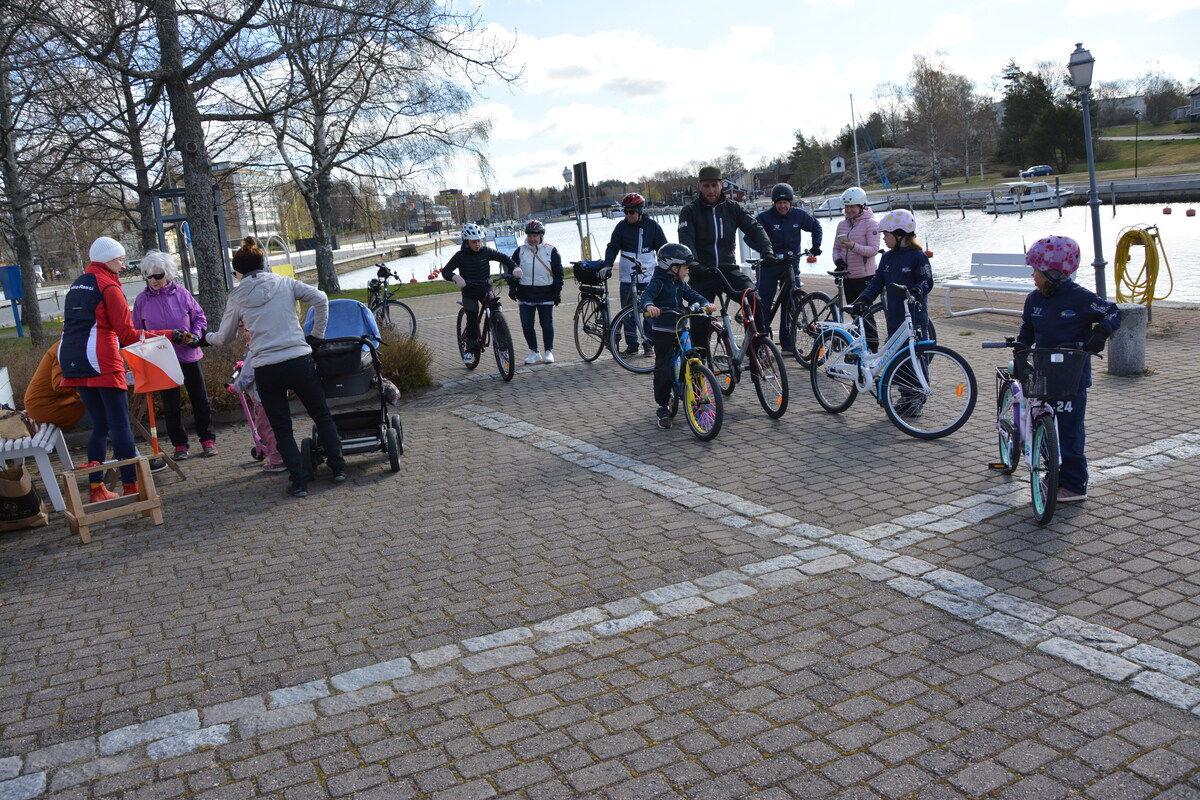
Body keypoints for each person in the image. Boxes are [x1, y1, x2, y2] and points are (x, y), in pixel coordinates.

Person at [195, 237, 343, 498]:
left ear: (237, 271)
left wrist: (204, 338)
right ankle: (338, 467)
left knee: (281, 427)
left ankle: (299, 482)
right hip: (298, 360)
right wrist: (315, 336)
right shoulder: (285, 283)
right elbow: (320, 299)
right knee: (321, 415)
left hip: (267, 367)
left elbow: (224, 337)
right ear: (262, 264)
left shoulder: (237, 297)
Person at [58, 236, 189, 502]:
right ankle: (132, 486)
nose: (123, 265)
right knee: (120, 425)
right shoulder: (109, 286)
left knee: (100, 424)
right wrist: (168, 335)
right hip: (100, 358)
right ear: (108, 260)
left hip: (71, 357)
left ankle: (97, 489)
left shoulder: (78, 283)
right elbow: (127, 335)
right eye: (120, 259)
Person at [1017, 235, 1121, 503]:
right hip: (1044, 375)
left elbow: (1113, 312)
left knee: (1069, 433)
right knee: (1044, 425)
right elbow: (1027, 329)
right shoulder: (1033, 299)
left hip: (1072, 378)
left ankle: (1074, 485)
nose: (1032, 276)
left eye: (1036, 271)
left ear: (1053, 273)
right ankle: (1053, 474)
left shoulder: (1080, 298)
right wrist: (1020, 349)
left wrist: (1101, 332)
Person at [131, 250, 216, 460]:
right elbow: (136, 331)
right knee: (171, 406)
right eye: (149, 276)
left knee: (200, 400)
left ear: (168, 274)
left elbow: (199, 317)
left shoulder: (182, 294)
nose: (154, 280)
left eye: (158, 276)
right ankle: (179, 445)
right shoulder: (141, 300)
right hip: (162, 360)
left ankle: (207, 440)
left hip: (188, 354)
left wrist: (196, 335)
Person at [677, 165, 774, 346]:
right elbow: (686, 239)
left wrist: (767, 250)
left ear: (721, 184)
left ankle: (757, 349)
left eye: (715, 185)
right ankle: (700, 358)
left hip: (728, 270)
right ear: (700, 186)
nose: (711, 190)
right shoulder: (690, 211)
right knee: (699, 319)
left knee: (754, 300)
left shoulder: (732, 208)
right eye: (706, 186)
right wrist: (693, 263)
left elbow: (755, 228)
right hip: (702, 271)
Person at [852, 209, 933, 417]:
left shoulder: (918, 257)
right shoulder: (887, 258)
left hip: (914, 318)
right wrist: (864, 299)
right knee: (897, 360)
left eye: (886, 235)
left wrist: (918, 290)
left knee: (915, 358)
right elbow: (877, 282)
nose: (883, 239)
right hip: (894, 318)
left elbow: (927, 281)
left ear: (900, 234)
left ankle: (918, 397)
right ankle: (905, 396)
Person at [640, 244, 718, 429]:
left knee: (694, 358)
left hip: (681, 328)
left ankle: (696, 396)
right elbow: (646, 296)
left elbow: (692, 294)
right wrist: (650, 306)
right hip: (663, 331)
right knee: (664, 368)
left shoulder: (679, 283)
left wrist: (705, 303)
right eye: (686, 268)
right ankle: (663, 406)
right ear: (673, 267)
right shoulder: (658, 282)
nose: (688, 271)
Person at [750, 183, 822, 353]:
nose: (782, 206)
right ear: (774, 203)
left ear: (790, 202)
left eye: (785, 203)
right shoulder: (765, 218)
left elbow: (816, 227)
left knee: (790, 302)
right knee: (764, 302)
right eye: (779, 203)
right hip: (770, 264)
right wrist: (765, 252)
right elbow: (749, 237)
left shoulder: (799, 215)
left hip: (791, 263)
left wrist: (816, 246)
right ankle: (760, 343)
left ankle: (788, 344)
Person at [442, 223, 517, 364]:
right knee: (472, 319)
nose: (477, 244)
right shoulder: (460, 256)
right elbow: (445, 271)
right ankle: (469, 350)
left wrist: (514, 268)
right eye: (473, 242)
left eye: (479, 241)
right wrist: (455, 277)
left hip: (485, 288)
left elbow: (504, 258)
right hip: (469, 291)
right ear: (466, 242)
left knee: (496, 309)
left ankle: (502, 343)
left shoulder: (486, 251)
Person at [603, 192, 667, 356]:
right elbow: (613, 247)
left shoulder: (653, 227)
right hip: (627, 277)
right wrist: (608, 264)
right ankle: (632, 346)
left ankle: (649, 344)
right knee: (629, 312)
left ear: (640, 211)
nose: (628, 215)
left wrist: (668, 269)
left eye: (632, 212)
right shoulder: (621, 227)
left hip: (648, 277)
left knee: (649, 312)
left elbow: (663, 249)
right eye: (626, 212)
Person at [831, 186, 881, 350]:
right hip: (848, 276)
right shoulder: (842, 225)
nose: (849, 210)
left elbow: (873, 250)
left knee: (866, 315)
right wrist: (838, 261)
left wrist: (852, 246)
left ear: (861, 206)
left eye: (852, 207)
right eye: (846, 207)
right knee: (854, 314)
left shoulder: (871, 224)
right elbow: (836, 249)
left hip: (865, 276)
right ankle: (859, 347)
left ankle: (873, 348)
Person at [510, 220, 564, 364]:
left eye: (535, 236)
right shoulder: (520, 251)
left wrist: (557, 291)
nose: (532, 239)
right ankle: (534, 352)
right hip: (525, 294)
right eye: (529, 236)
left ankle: (548, 351)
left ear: (541, 236)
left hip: (545, 293)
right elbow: (512, 271)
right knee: (527, 325)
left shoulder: (551, 251)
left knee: (546, 324)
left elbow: (559, 273)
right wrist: (512, 288)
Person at [22, 344, 86, 429]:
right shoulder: (67, 347)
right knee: (99, 407)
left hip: (44, 405)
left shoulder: (70, 344)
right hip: (46, 407)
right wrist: (88, 385)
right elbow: (60, 385)